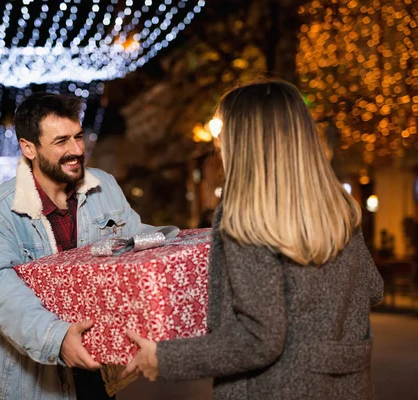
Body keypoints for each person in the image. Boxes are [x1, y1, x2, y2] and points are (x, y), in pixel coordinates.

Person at [123, 81, 384, 400]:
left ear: (243, 140)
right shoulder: (339, 206)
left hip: (273, 388)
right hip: (347, 384)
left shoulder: (246, 216)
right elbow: (373, 287)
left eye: (224, 131)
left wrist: (164, 358)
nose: (218, 142)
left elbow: (259, 339)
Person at [0, 93, 148, 400]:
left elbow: (136, 243)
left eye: (78, 137)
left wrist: (175, 243)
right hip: (33, 385)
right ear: (29, 148)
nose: (77, 150)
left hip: (99, 378)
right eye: (61, 141)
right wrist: (58, 338)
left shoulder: (104, 186)